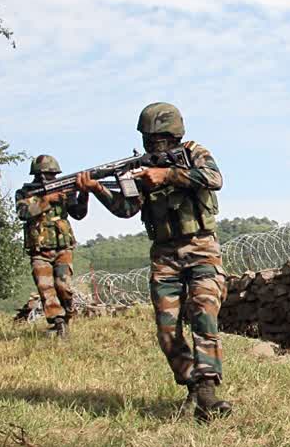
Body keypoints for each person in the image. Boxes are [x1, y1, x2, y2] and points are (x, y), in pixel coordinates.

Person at [74, 102, 232, 422]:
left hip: (201, 248)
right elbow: (126, 209)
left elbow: (215, 178)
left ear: (173, 134)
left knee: (203, 313)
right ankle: (191, 384)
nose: (152, 143)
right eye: (148, 138)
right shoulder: (139, 169)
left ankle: (207, 392)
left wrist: (167, 174)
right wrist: (97, 189)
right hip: (164, 256)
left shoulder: (194, 152)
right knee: (167, 331)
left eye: (158, 137)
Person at [16, 154, 89, 337]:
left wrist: (84, 194)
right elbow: (23, 212)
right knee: (46, 288)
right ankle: (58, 323)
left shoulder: (65, 190)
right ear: (37, 176)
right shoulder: (24, 193)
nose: (50, 178)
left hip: (63, 248)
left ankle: (67, 316)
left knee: (63, 286)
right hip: (39, 251)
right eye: (47, 175)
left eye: (53, 174)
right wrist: (48, 200)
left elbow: (78, 214)